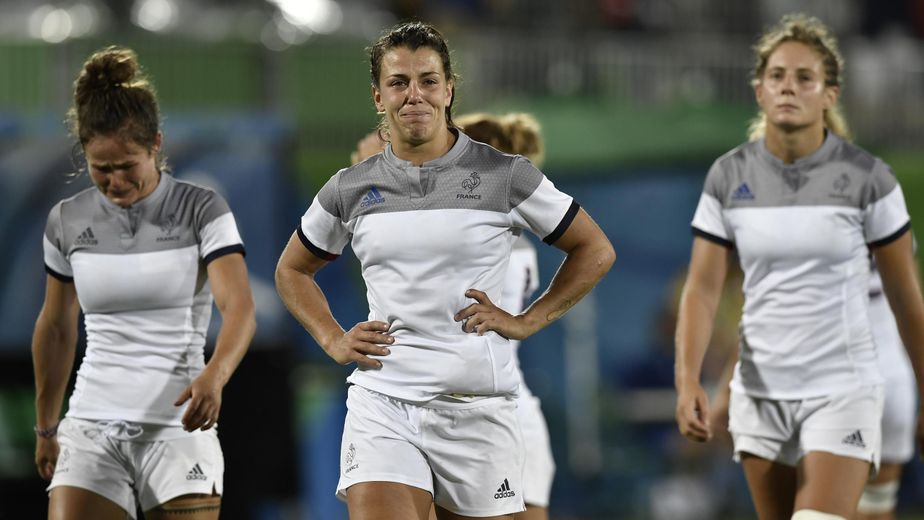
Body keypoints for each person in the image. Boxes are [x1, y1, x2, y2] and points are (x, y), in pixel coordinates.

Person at [275, 21, 614, 520]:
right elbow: (292, 270)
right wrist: (332, 338)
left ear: (449, 89)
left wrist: (527, 321)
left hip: (478, 409)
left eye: (428, 80)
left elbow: (594, 249)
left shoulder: (505, 175)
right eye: (398, 82)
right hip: (384, 402)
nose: (414, 95)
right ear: (378, 96)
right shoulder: (349, 187)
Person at [673, 13, 924, 520]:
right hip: (761, 393)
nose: (788, 87)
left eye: (804, 77)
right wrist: (690, 380)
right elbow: (702, 289)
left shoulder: (870, 180)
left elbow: (905, 298)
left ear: (830, 94)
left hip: (844, 388)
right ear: (759, 91)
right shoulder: (727, 176)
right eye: (777, 76)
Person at [32, 46, 256, 520]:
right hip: (91, 424)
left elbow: (239, 308)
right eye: (101, 168)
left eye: (126, 165)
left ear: (155, 143)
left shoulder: (202, 209)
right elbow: (55, 327)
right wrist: (46, 426)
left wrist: (215, 376)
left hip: (178, 425)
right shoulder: (66, 220)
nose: (114, 182)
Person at [350, 111, 557, 520]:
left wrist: (377, 163)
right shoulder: (496, 233)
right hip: (462, 406)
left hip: (488, 413)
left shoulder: (489, 235)